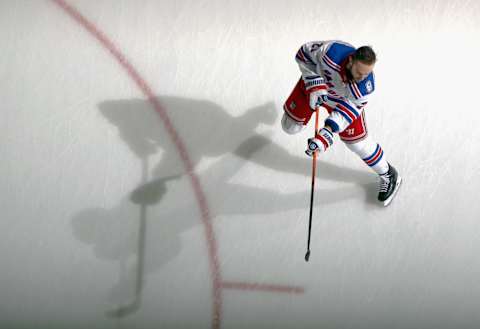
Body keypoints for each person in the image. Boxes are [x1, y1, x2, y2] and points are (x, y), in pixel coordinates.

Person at [281, 40, 402, 206]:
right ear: (351, 61)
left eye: (366, 74)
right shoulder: (330, 52)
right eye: (359, 72)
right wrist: (313, 80)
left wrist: (327, 133)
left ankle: (388, 174)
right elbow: (303, 54)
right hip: (314, 89)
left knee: (358, 145)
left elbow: (347, 111)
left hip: (341, 104)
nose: (362, 78)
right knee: (290, 127)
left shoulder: (364, 87)